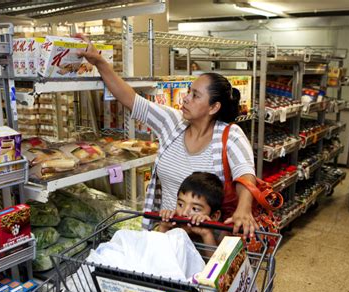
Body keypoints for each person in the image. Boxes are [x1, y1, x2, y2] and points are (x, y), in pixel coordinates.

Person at [75, 34, 257, 237]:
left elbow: (245, 174)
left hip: (209, 240)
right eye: (188, 91)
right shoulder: (173, 122)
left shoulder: (229, 135)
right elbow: (130, 98)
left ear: (214, 107)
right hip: (170, 236)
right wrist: (100, 62)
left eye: (195, 95)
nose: (186, 98)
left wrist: (244, 208)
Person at [158, 172, 224, 248]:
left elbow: (215, 260)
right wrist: (163, 227)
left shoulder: (220, 236)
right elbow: (156, 256)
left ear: (214, 216)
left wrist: (206, 235)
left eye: (195, 209)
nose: (184, 213)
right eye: (180, 205)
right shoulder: (171, 227)